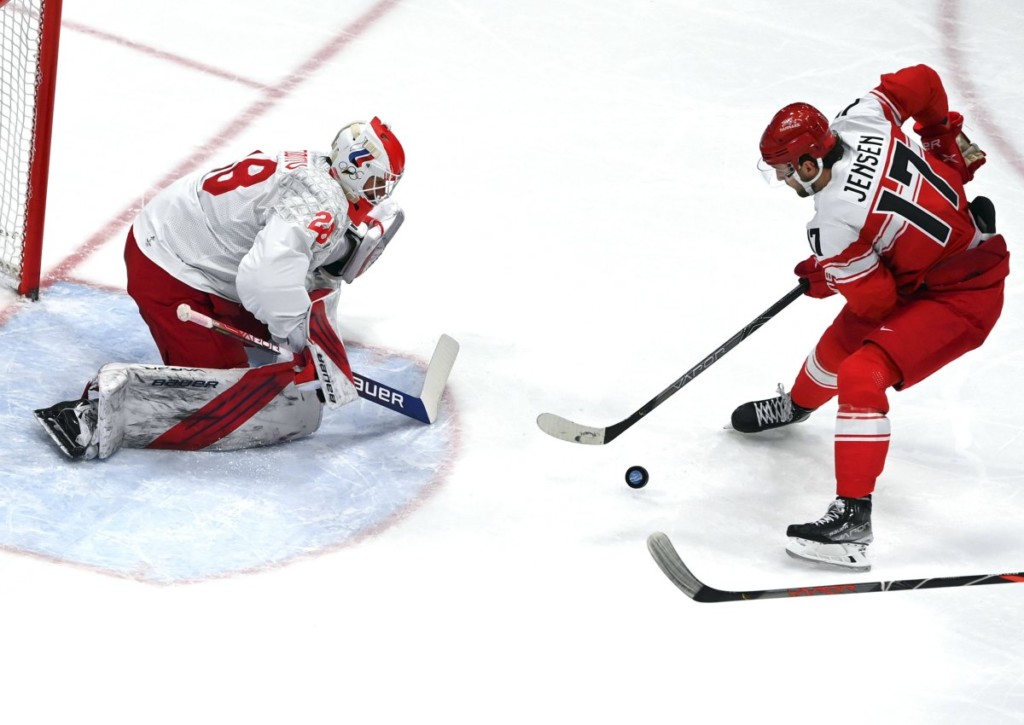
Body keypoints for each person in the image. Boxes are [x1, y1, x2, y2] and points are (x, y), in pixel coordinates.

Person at [731, 65, 1010, 570]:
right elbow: (923, 80)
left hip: (964, 295)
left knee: (862, 373)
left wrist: (831, 272)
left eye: (786, 169)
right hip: (938, 261)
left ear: (810, 162)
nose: (783, 179)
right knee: (835, 350)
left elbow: (877, 304)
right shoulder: (862, 117)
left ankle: (852, 524)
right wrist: (942, 138)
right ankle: (796, 406)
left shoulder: (833, 223)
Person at [35, 117, 406, 459]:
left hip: (200, 253)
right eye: (379, 182)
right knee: (232, 401)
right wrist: (306, 347)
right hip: (167, 266)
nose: (380, 192)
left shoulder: (320, 175)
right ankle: (94, 412)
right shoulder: (320, 203)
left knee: (296, 307)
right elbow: (265, 279)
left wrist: (313, 347)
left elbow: (295, 280)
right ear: (355, 168)